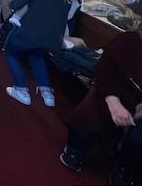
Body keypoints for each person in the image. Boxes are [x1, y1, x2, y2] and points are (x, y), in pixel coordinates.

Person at [60, 30, 142, 184]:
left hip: (137, 103)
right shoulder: (130, 39)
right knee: (91, 111)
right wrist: (114, 102)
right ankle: (76, 149)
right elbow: (104, 69)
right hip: (111, 91)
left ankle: (124, 169)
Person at [3, 0, 75, 108]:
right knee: (37, 56)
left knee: (10, 53)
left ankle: (21, 89)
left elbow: (14, 4)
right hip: (52, 39)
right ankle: (46, 92)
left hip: (28, 34)